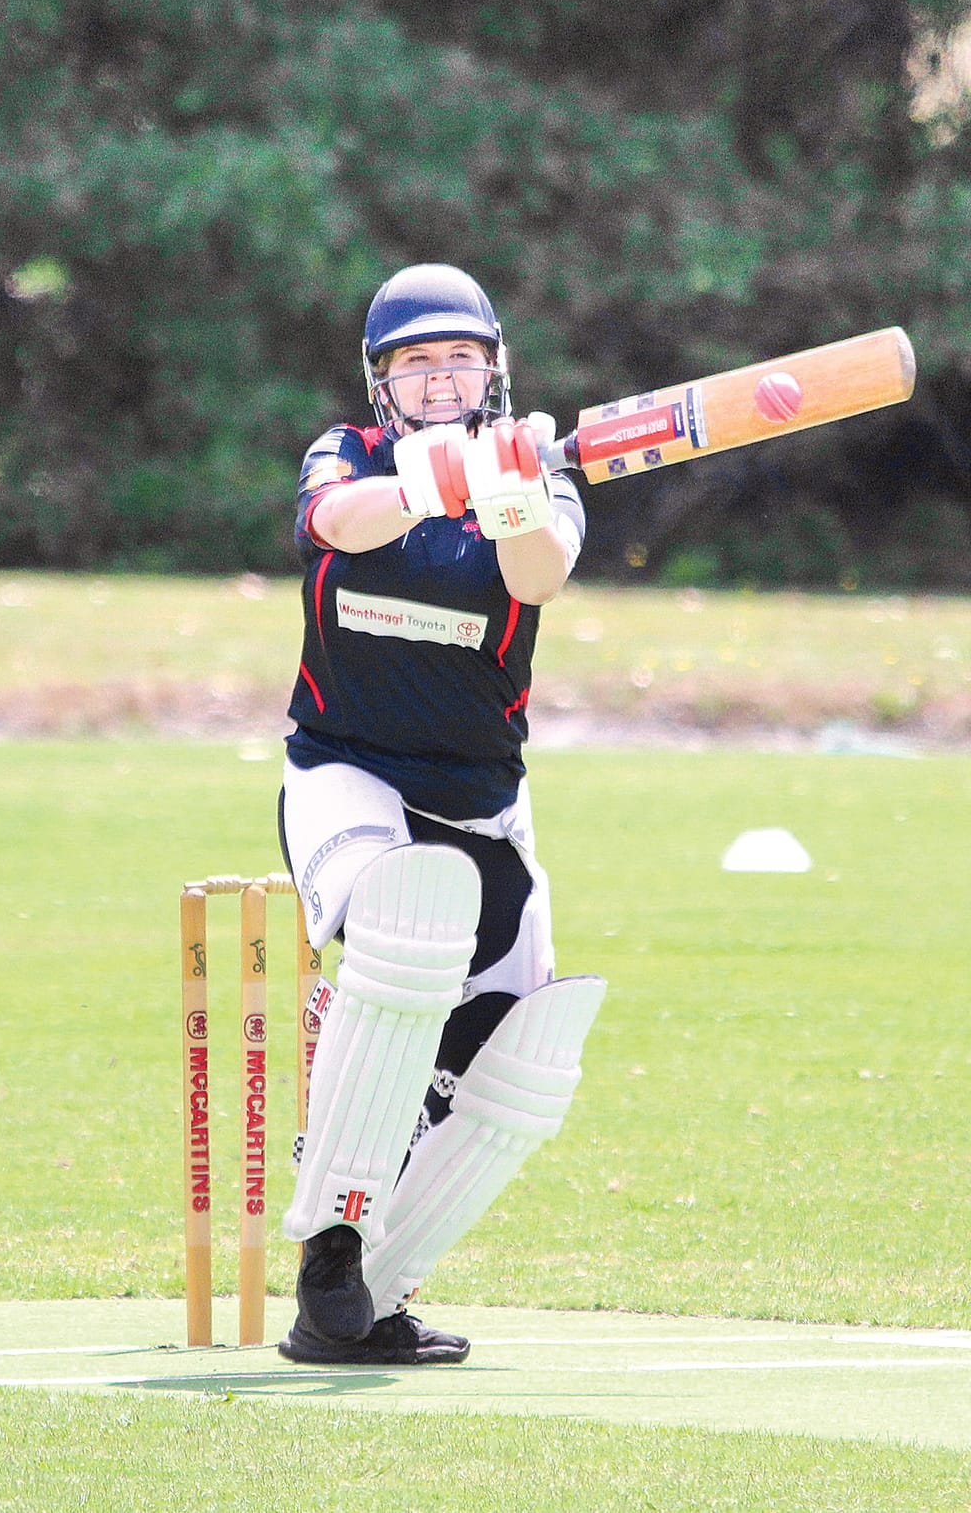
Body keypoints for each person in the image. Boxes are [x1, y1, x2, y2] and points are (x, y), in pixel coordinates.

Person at [275, 263, 606, 1364]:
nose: (438, 378)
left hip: (481, 801)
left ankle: (369, 1294)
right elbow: (334, 524)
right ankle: (327, 1240)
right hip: (345, 774)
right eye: (414, 363)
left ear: (492, 369)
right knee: (404, 927)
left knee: (516, 1067)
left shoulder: (539, 469)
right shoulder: (349, 455)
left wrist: (506, 487)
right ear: (380, 384)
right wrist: (431, 480)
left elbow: (541, 572)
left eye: (458, 359)